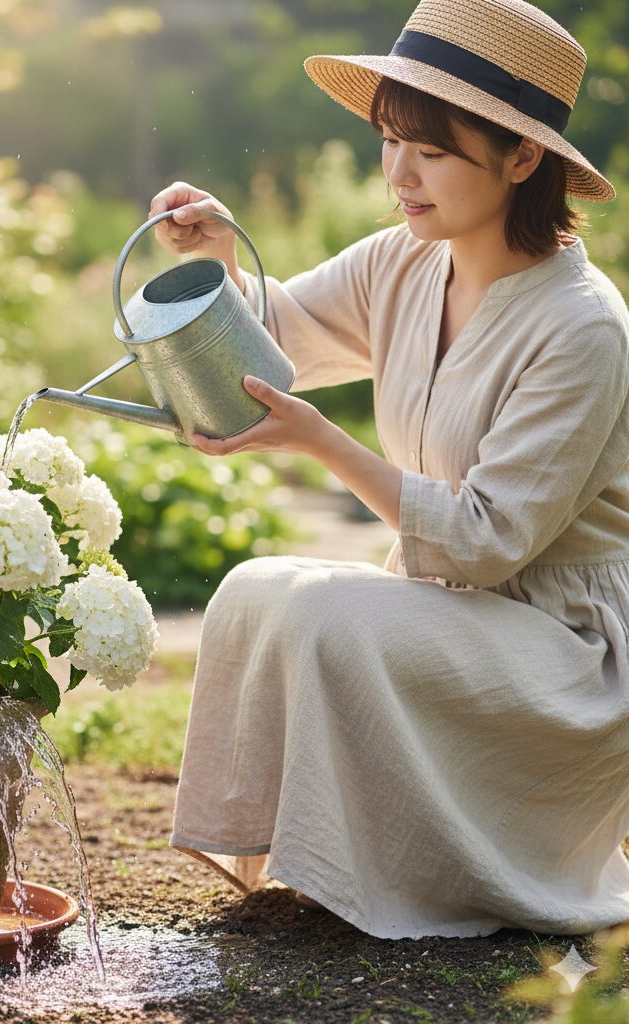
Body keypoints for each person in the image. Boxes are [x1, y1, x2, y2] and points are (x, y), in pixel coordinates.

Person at [155, 0, 629, 940]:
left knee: (325, 612)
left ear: (521, 158)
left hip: (567, 650)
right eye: (390, 141)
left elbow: (487, 543)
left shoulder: (582, 327)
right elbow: (281, 338)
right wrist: (218, 262)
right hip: (454, 611)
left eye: (433, 151)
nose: (399, 175)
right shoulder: (407, 262)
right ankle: (305, 863)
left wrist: (324, 444)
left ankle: (438, 868)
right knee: (254, 589)